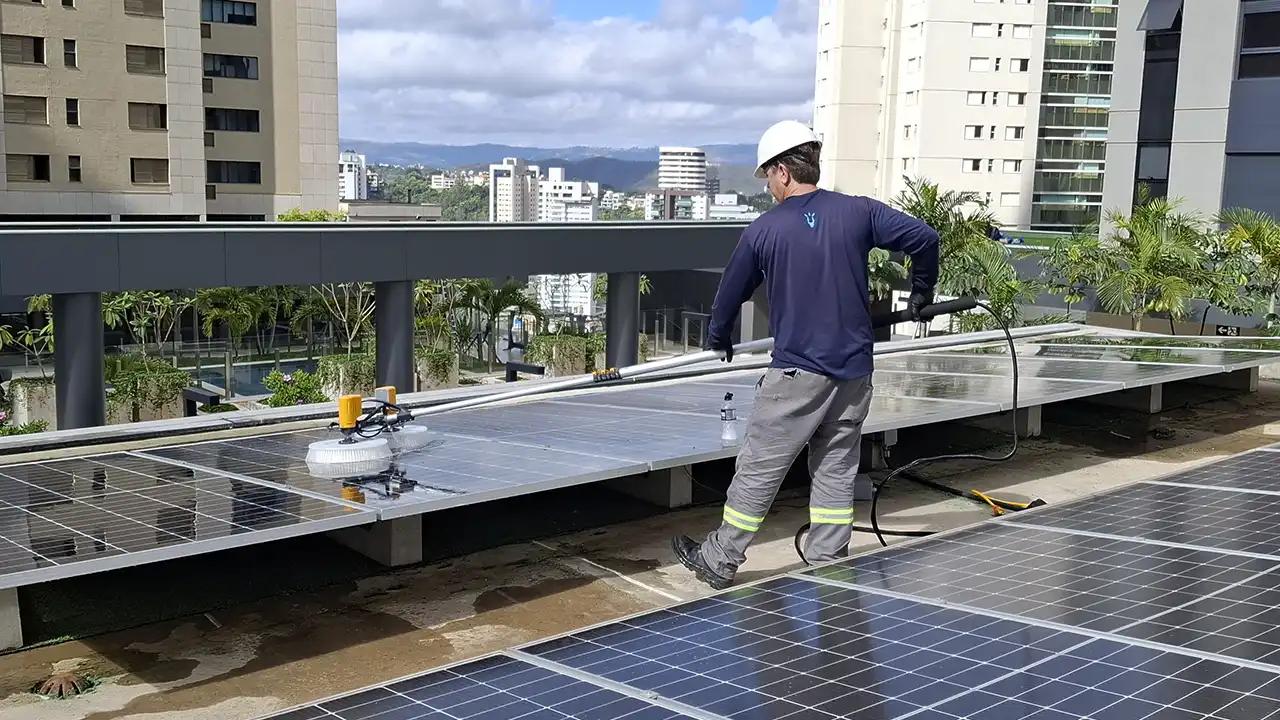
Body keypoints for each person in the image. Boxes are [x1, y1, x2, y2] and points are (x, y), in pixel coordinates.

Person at [671, 120, 941, 590]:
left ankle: (719, 557)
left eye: (767, 177)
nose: (769, 187)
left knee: (760, 466)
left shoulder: (764, 230)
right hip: (854, 371)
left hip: (798, 371)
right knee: (836, 467)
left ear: (782, 171)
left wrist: (719, 337)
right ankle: (828, 562)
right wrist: (920, 295)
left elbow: (728, 296)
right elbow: (925, 239)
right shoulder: (858, 212)